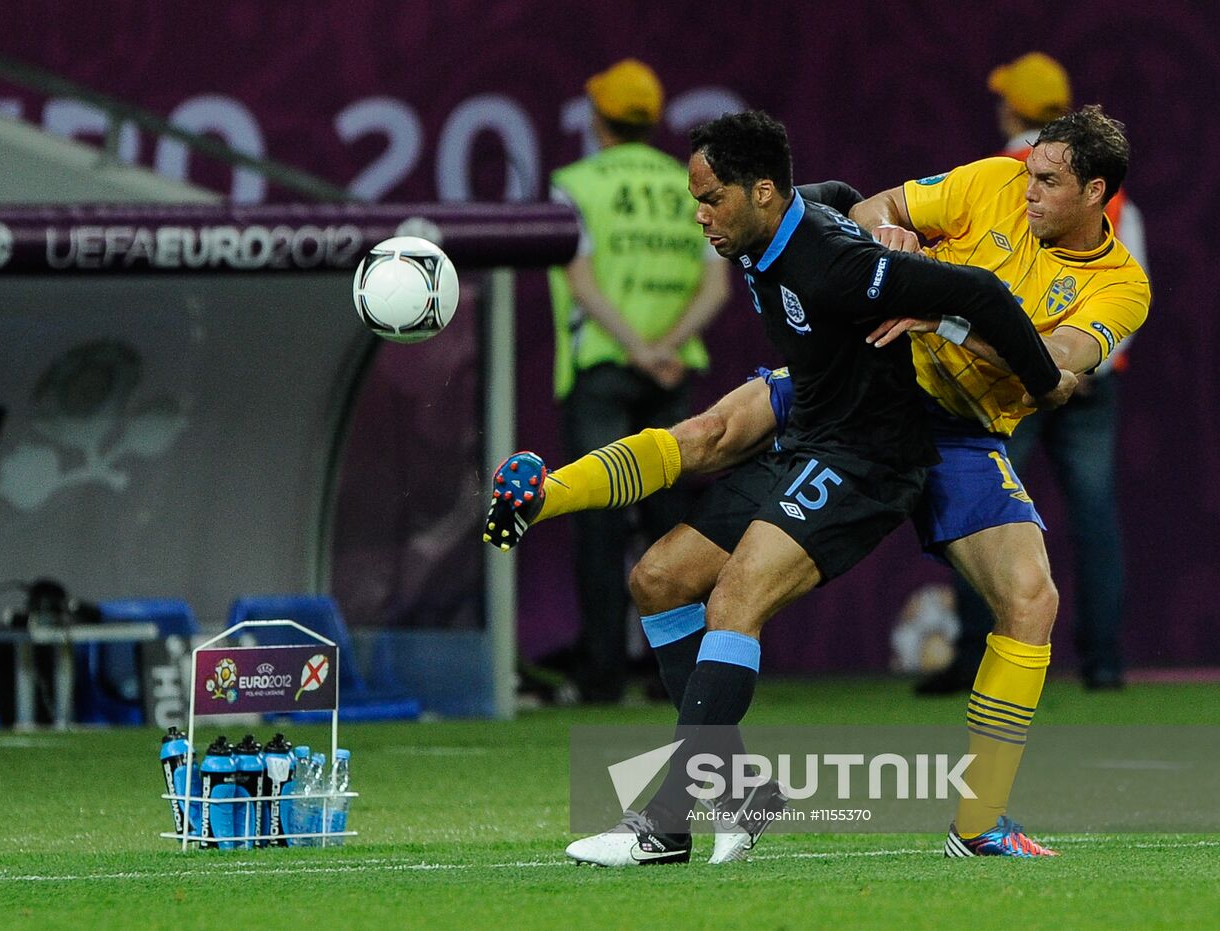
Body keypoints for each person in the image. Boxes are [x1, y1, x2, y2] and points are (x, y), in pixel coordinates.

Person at [488, 106, 1147, 860]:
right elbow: (873, 206)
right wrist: (888, 238)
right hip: (864, 373)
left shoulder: (1122, 287)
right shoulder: (993, 182)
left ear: (1096, 192)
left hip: (959, 427)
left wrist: (937, 315)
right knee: (669, 552)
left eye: (1049, 181)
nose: (1027, 189)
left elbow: (1052, 365)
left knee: (1031, 600)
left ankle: (978, 824)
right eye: (1030, 172)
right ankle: (730, 788)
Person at [920, 53, 1149, 694]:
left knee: (980, 507)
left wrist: (967, 333)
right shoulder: (1106, 188)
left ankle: (974, 653)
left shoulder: (1011, 174)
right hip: (1092, 378)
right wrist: (1089, 355)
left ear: (1012, 109)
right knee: (1094, 518)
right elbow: (1133, 281)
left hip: (1005, 377)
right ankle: (1104, 662)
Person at [544, 59, 730, 702]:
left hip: (604, 366)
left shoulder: (575, 184)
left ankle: (601, 675)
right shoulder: (688, 184)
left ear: (598, 119)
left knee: (598, 516)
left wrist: (635, 348)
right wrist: (666, 348)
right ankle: (673, 671)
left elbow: (580, 281)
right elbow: (716, 284)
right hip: (671, 374)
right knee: (672, 525)